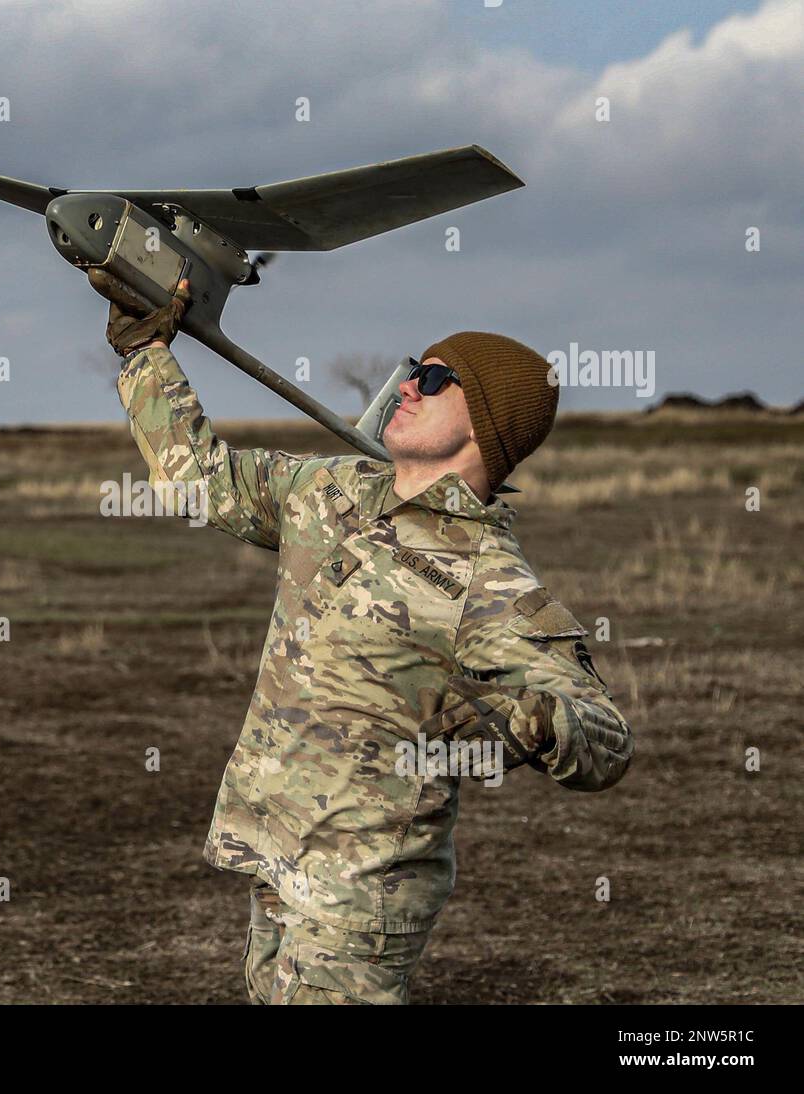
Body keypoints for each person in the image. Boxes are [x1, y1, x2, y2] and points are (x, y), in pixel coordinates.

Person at [92, 272, 634, 1005]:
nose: (408, 385)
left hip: (362, 893)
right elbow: (202, 481)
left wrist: (523, 717)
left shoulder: (488, 577)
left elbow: (605, 739)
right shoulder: (332, 490)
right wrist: (147, 349)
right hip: (275, 853)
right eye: (414, 370)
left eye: (436, 379)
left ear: (490, 424)